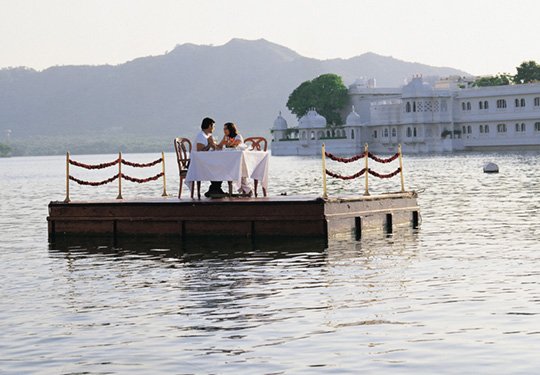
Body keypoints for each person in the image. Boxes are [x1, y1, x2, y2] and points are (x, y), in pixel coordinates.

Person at [218, 122, 253, 196]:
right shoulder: (226, 137)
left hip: (240, 160)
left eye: (226, 128)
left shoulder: (238, 136)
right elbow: (220, 146)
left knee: (239, 172)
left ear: (231, 129)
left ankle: (247, 191)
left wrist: (227, 142)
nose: (224, 130)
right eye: (223, 129)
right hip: (230, 160)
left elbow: (234, 144)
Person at [195, 117, 226, 197]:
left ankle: (215, 189)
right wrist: (209, 145)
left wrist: (213, 145)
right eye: (213, 126)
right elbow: (199, 151)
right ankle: (215, 189)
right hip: (197, 162)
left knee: (222, 166)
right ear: (209, 126)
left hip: (205, 161)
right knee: (218, 167)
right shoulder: (201, 136)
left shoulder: (207, 136)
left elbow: (215, 148)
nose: (214, 128)